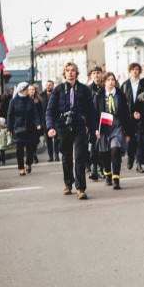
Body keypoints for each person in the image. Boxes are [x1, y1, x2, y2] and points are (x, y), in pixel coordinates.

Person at [46, 62, 97, 200]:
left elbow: (91, 111)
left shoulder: (84, 90)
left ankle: (81, 188)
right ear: (64, 73)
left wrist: (94, 129)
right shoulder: (58, 90)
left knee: (80, 157)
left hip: (80, 126)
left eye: (73, 70)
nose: (70, 73)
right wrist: (51, 127)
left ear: (76, 72)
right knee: (66, 157)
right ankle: (68, 183)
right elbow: (50, 110)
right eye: (68, 70)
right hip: (63, 127)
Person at [94, 72, 132, 190]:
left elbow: (126, 113)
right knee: (105, 153)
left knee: (115, 150)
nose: (111, 82)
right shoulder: (99, 95)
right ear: (104, 82)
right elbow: (94, 113)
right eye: (109, 80)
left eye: (113, 79)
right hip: (104, 126)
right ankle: (108, 175)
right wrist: (95, 129)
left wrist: (128, 131)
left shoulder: (120, 95)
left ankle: (116, 178)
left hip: (117, 125)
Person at [7, 82, 40, 175]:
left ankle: (29, 163)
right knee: (19, 150)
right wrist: (9, 128)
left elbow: (35, 113)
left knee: (30, 149)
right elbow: (10, 116)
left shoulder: (30, 101)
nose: (28, 91)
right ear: (22, 90)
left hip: (30, 128)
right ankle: (21, 168)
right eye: (27, 89)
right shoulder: (13, 101)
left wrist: (38, 123)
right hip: (18, 129)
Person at [120, 63, 144, 171]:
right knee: (130, 141)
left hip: (139, 116)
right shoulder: (125, 85)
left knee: (139, 140)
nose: (135, 71)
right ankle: (130, 158)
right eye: (133, 69)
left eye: (137, 69)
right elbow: (121, 101)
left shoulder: (143, 84)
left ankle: (139, 163)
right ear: (130, 71)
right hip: (128, 116)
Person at [87, 67, 104, 181]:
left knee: (103, 147)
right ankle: (93, 169)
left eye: (98, 73)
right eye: (94, 73)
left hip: (104, 120)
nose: (96, 75)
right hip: (92, 120)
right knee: (93, 146)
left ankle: (101, 169)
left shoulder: (105, 87)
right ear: (91, 76)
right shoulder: (88, 89)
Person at [43, 80, 59, 161]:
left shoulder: (56, 95)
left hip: (55, 119)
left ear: (53, 86)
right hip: (45, 120)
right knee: (48, 139)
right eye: (47, 85)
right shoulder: (42, 96)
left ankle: (56, 155)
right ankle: (50, 156)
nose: (48, 86)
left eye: (50, 85)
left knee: (56, 138)